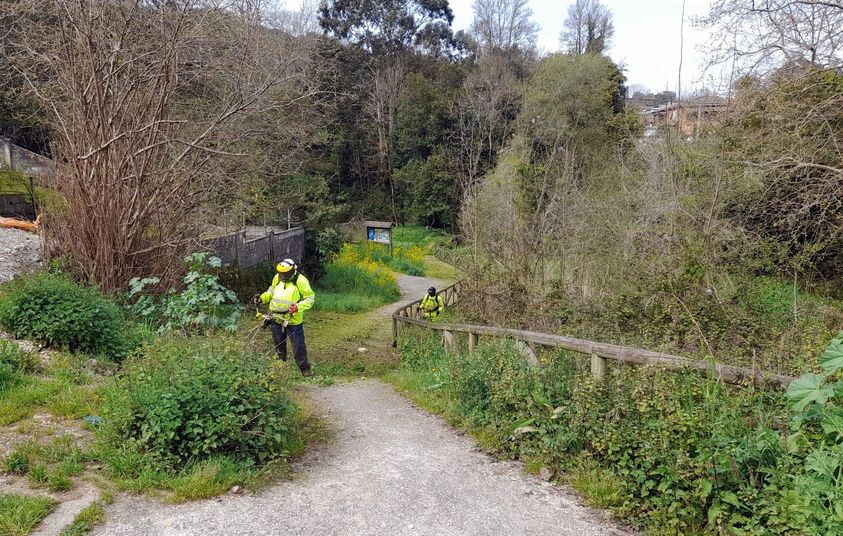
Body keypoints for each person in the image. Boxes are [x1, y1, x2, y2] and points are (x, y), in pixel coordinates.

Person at [254, 258, 315, 375]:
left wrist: (297, 307)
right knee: (278, 344)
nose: (282, 275)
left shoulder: (301, 281)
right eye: (280, 272)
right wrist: (261, 298)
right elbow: (270, 293)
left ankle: (304, 369)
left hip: (293, 320)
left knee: (298, 345)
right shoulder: (277, 278)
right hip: (275, 318)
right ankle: (280, 367)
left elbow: (310, 298)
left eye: (285, 273)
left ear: (292, 271)